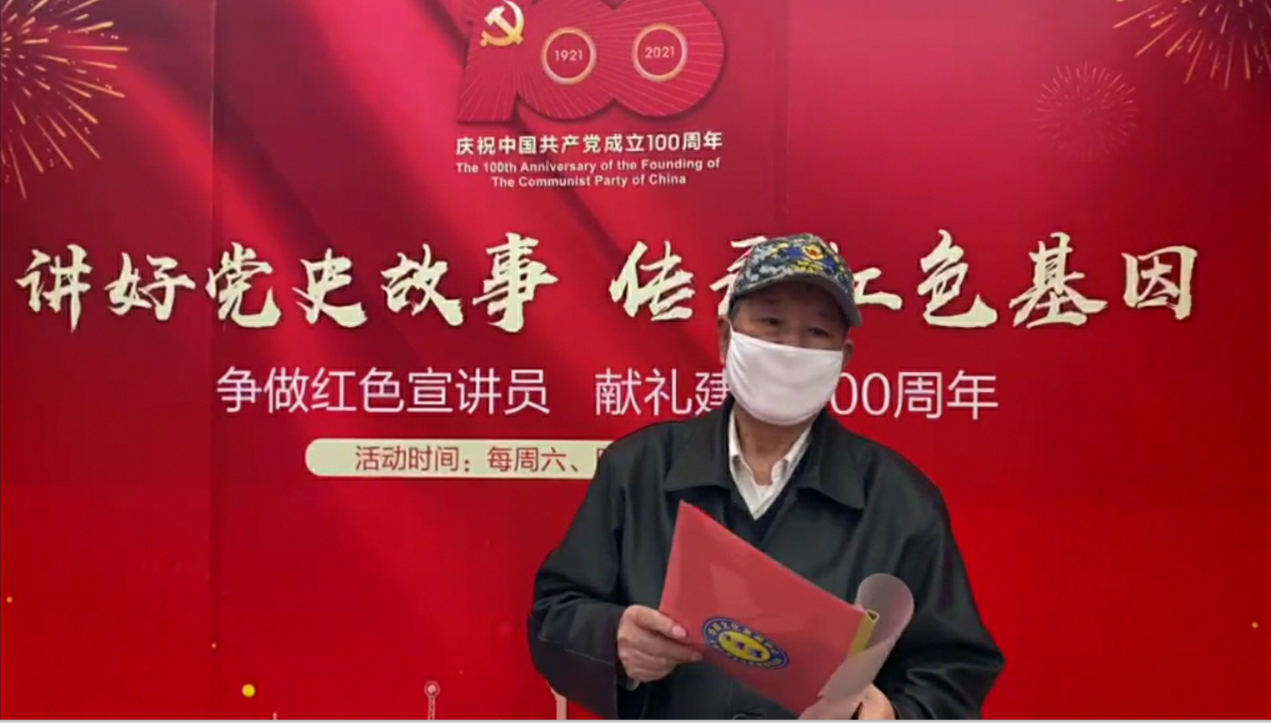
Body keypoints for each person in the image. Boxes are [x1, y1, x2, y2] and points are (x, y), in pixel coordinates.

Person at [528, 234, 1004, 719]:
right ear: (725, 337)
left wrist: (898, 714)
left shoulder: (900, 502)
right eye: (771, 324)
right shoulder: (637, 470)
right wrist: (612, 639)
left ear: (843, 359)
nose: (790, 349)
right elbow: (554, 616)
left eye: (816, 332)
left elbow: (953, 668)